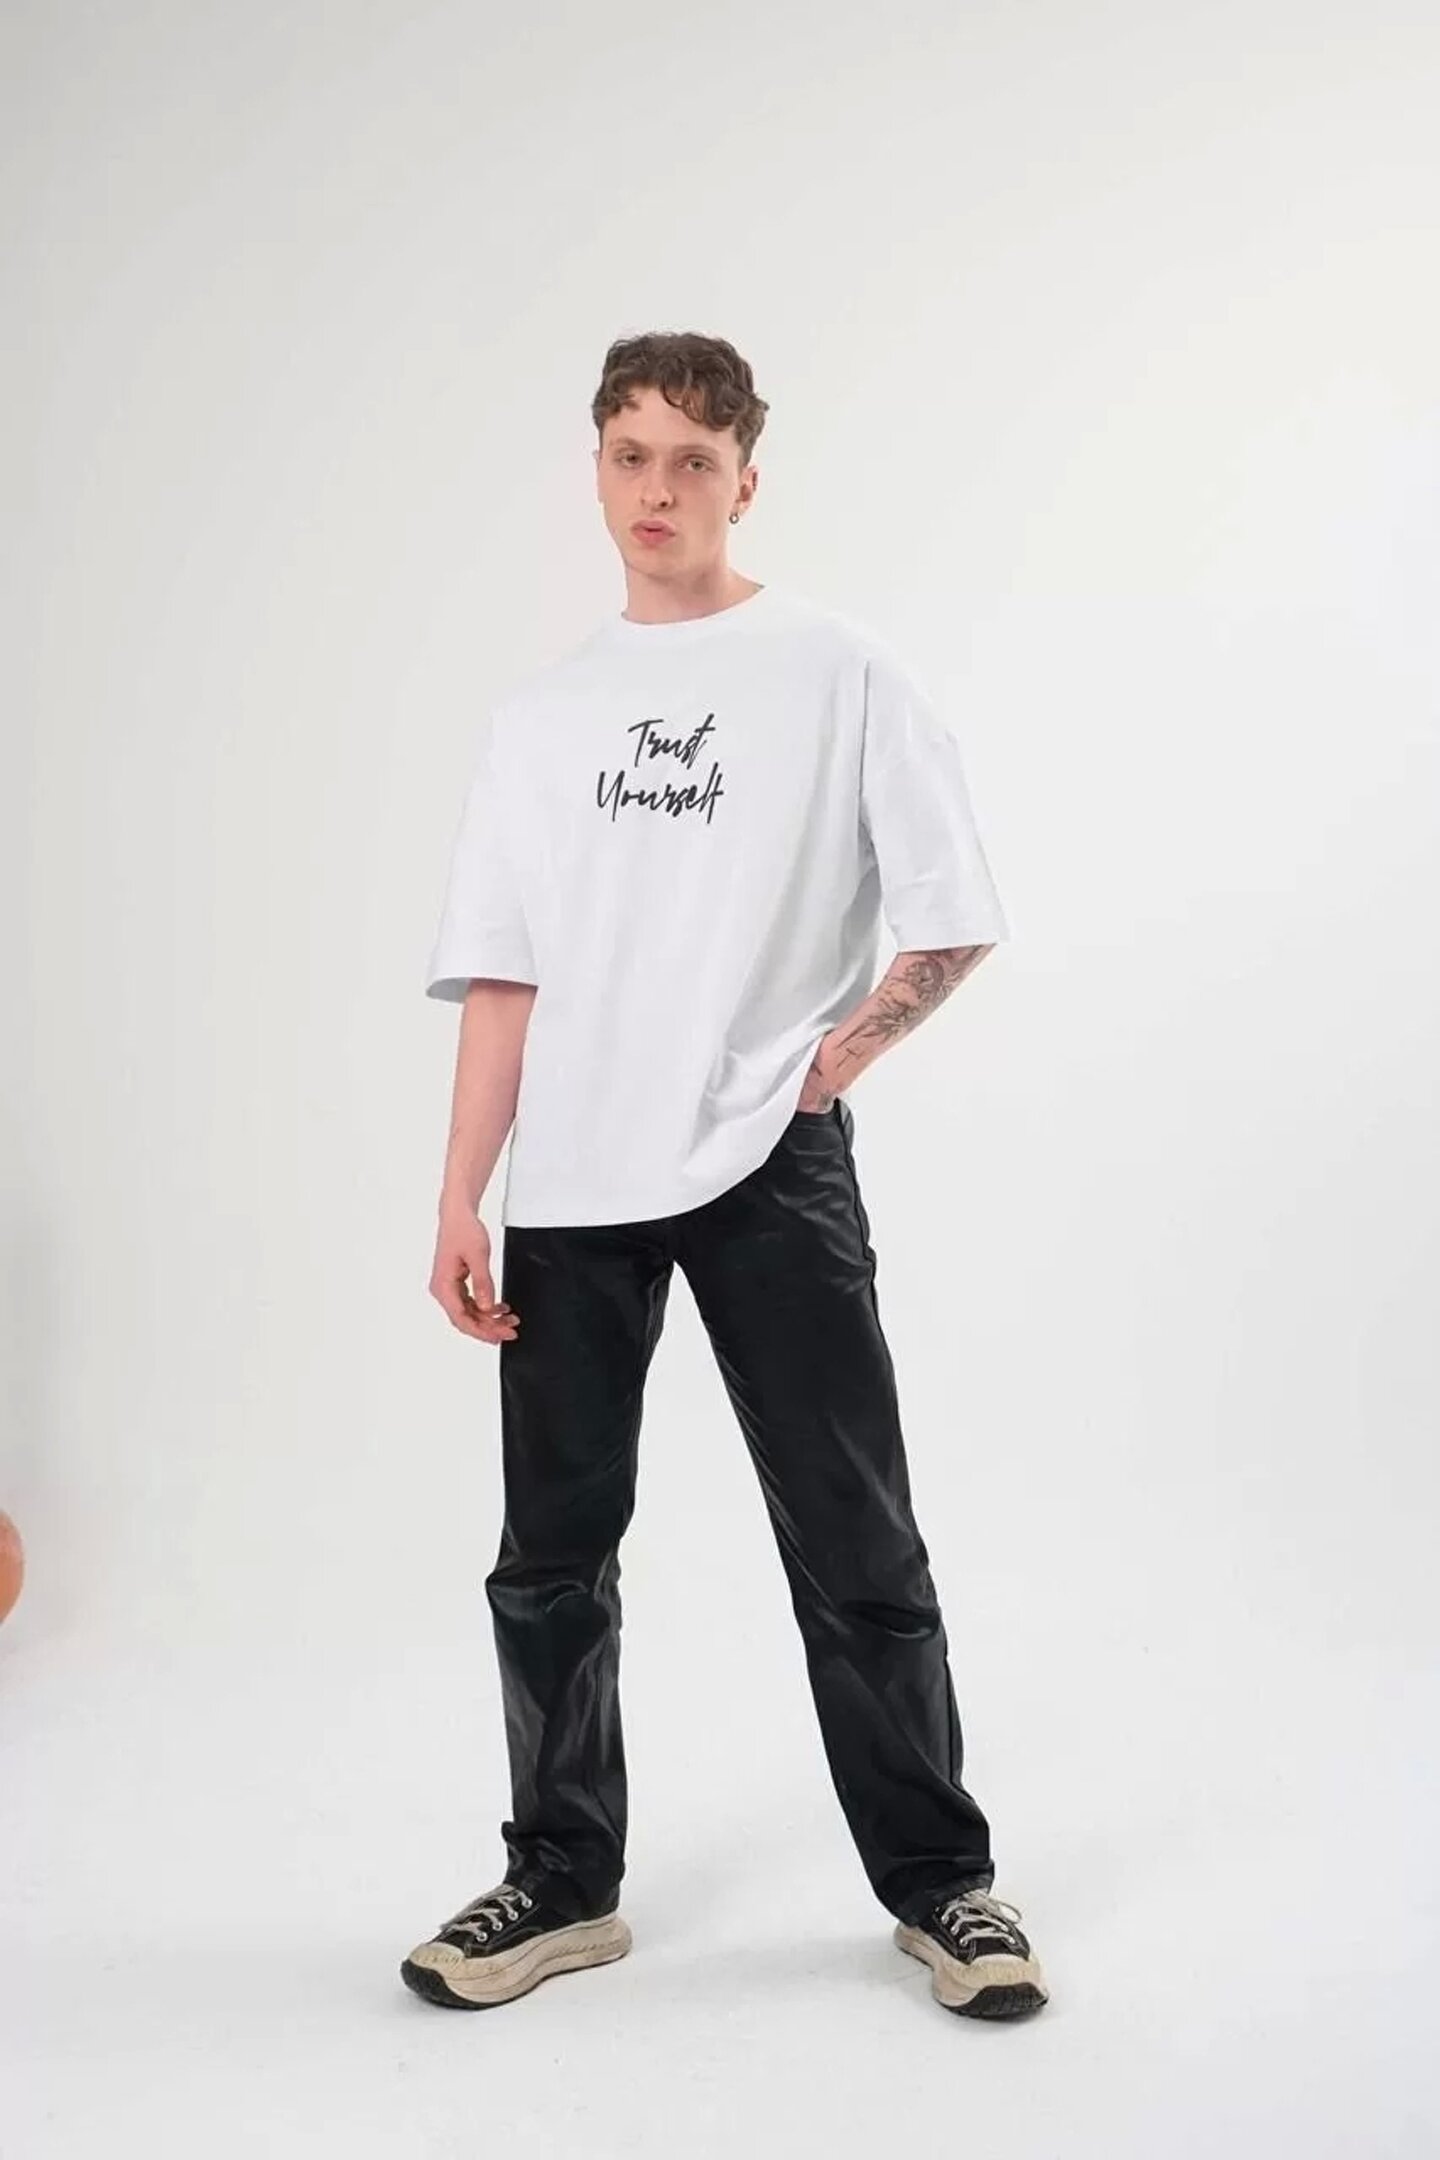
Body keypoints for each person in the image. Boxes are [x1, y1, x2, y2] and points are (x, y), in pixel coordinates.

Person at [400, 331, 1048, 2022]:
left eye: (694, 459)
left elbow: (952, 909)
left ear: (745, 480)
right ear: (596, 473)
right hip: (571, 1186)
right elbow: (505, 976)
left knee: (856, 1538)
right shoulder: (541, 717)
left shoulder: (837, 671)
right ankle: (560, 1881)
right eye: (632, 455)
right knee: (549, 1558)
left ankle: (944, 1884)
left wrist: (839, 1060)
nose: (660, 489)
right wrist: (463, 1193)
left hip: (771, 1164)